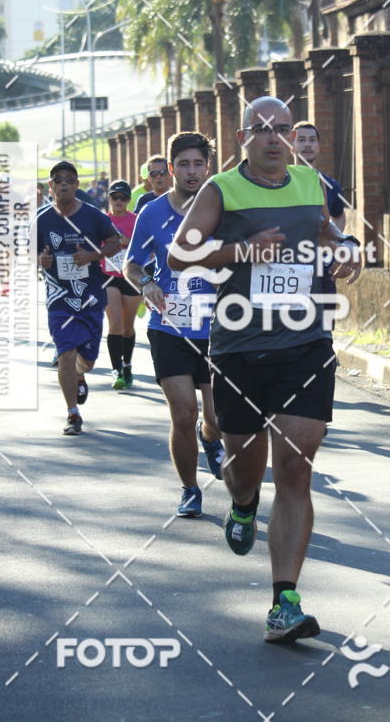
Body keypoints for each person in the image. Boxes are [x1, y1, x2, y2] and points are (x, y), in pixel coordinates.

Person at [168, 97, 361, 643]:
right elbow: (180, 255)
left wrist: (346, 244)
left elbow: (321, 229)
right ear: (243, 138)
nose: (274, 138)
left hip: (306, 343)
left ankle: (284, 604)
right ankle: (243, 504)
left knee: (296, 468)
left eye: (282, 129)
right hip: (239, 348)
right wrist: (241, 250)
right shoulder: (220, 190)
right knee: (244, 470)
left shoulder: (309, 181)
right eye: (263, 129)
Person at [125, 132, 225, 517]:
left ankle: (210, 438)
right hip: (169, 327)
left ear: (208, 167)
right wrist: (146, 284)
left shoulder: (223, 208)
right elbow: (132, 264)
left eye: (198, 163)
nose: (191, 171)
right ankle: (190, 489)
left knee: (216, 419)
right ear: (171, 169)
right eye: (183, 164)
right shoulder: (152, 213)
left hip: (216, 329)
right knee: (183, 414)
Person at [36, 161, 122, 435]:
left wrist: (93, 256)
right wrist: (40, 259)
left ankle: (80, 373)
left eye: (68, 180)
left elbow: (116, 241)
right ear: (51, 186)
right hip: (59, 297)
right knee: (65, 353)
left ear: (76, 185)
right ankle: (73, 413)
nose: (63, 184)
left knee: (87, 359)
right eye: (57, 180)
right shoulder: (41, 219)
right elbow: (28, 251)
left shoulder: (93, 216)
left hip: (90, 296)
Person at [292, 121, 347, 319]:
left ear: (319, 146)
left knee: (324, 326)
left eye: (312, 140)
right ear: (291, 145)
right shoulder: (279, 182)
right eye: (301, 140)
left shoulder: (330, 185)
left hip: (322, 269)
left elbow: (338, 216)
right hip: (289, 268)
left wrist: (332, 246)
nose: (307, 144)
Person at [104, 179, 141, 389]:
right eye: (115, 197)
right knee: (115, 324)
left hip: (131, 276)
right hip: (108, 276)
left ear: (128, 200)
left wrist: (127, 242)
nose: (119, 201)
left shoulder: (136, 220)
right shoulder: (102, 220)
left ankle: (127, 365)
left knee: (128, 327)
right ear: (109, 198)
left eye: (123, 197)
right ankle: (116, 370)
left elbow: (147, 249)